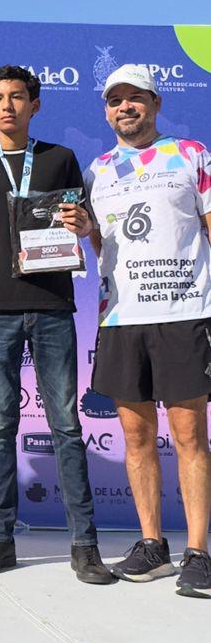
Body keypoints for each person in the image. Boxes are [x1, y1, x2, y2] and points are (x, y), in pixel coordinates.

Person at [0, 64, 115, 585]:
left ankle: (84, 546)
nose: (8, 106)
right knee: (1, 428)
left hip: (51, 307)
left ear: (35, 105)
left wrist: (83, 223)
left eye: (18, 97)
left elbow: (83, 222)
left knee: (67, 427)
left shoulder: (60, 159)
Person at [72, 64, 211, 599]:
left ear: (154, 102)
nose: (124, 108)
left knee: (189, 436)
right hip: (122, 316)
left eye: (135, 98)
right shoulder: (98, 170)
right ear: (106, 110)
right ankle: (153, 544)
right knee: (135, 437)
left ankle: (198, 551)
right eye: (115, 101)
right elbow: (103, 250)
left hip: (183, 312)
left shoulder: (192, 154)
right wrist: (86, 234)